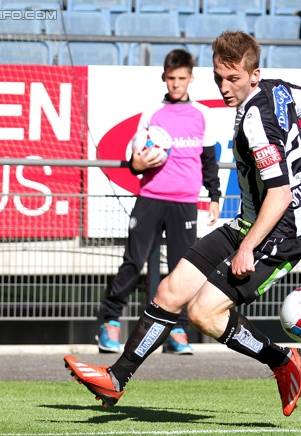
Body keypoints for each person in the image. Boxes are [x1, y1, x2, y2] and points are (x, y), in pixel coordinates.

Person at [64, 30, 301, 416]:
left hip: (278, 237)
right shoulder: (279, 91)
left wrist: (247, 248)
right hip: (247, 224)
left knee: (203, 313)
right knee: (171, 290)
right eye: (218, 78)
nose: (224, 87)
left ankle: (282, 360)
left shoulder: (257, 121)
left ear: (254, 75)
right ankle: (116, 379)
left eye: (233, 79)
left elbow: (280, 194)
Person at [95, 49, 221, 355]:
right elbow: (135, 157)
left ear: (191, 78)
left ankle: (176, 331)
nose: (176, 84)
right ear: (164, 78)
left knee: (183, 270)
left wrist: (215, 195)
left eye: (182, 78)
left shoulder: (202, 114)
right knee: (133, 261)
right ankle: (110, 322)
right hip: (150, 198)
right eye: (171, 78)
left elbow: (208, 161)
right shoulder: (153, 112)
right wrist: (136, 166)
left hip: (185, 203)